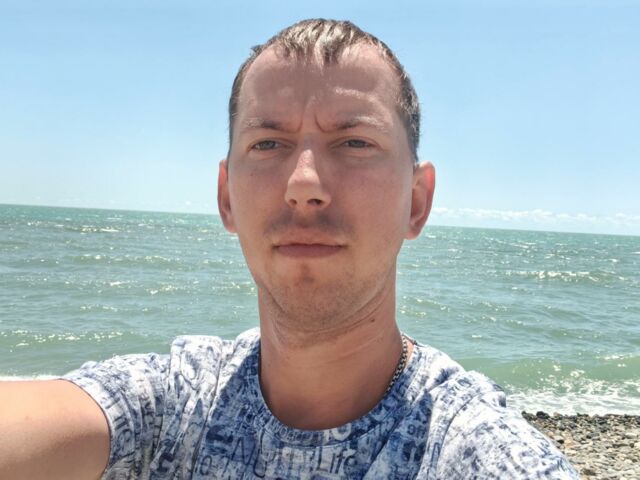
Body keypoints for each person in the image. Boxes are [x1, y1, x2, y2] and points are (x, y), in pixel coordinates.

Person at [0, 18, 578, 480]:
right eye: (268, 143)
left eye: (354, 142)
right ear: (226, 198)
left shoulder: (470, 446)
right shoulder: (174, 405)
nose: (304, 183)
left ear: (416, 203)